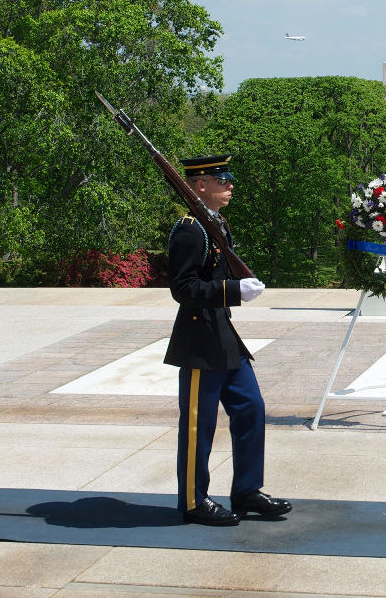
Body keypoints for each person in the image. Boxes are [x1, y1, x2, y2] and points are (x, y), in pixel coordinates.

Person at [164, 153, 291, 526]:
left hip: (223, 337)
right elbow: (183, 288)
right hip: (200, 341)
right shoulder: (190, 229)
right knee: (198, 425)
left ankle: (247, 491)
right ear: (200, 185)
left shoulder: (213, 223)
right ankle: (192, 501)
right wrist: (234, 290)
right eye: (223, 179)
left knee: (251, 408)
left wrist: (233, 290)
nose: (230, 184)